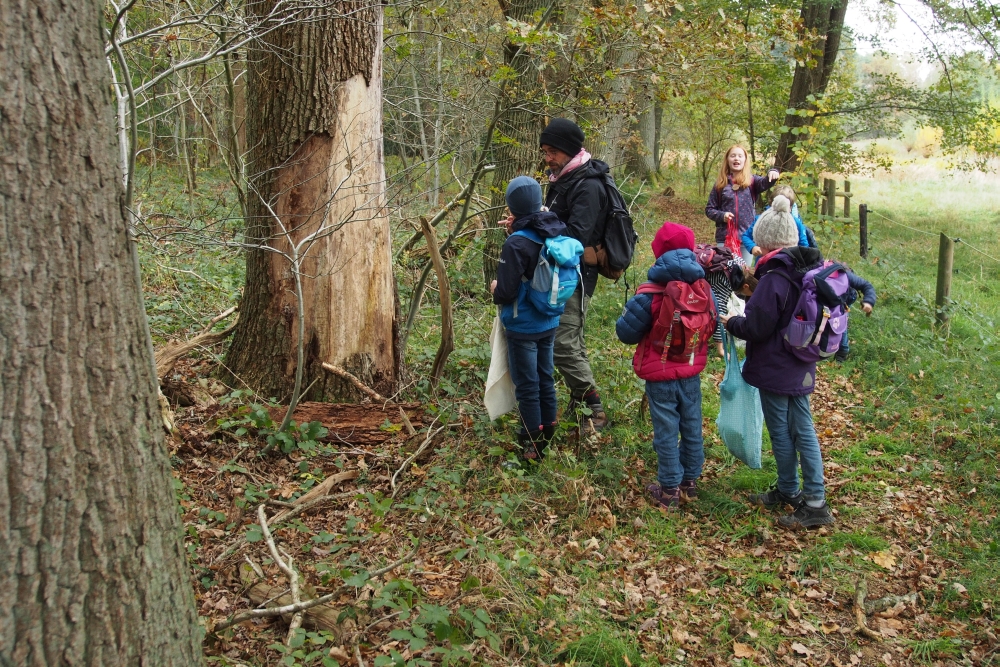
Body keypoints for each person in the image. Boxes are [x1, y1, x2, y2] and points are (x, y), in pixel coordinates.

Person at [721, 195, 835, 528]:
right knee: (802, 427)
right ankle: (803, 493)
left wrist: (733, 323)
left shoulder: (774, 277)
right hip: (800, 363)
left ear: (764, 241)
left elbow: (758, 326)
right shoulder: (807, 269)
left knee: (784, 432)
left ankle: (808, 500)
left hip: (775, 365)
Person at [615, 223, 717, 511]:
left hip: (660, 374)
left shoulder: (651, 293)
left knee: (666, 429)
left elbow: (625, 333)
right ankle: (691, 484)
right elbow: (712, 321)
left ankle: (669, 489)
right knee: (692, 424)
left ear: (659, 251)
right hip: (691, 370)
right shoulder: (703, 288)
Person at [538, 118, 612, 431]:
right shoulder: (563, 178)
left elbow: (577, 236)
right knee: (572, 342)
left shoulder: (589, 185)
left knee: (562, 344)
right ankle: (581, 405)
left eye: (553, 151)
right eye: (545, 151)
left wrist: (535, 221)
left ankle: (594, 411)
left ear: (569, 150)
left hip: (577, 276)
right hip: (559, 273)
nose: (548, 157)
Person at [490, 176, 566, 462]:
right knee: (545, 378)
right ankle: (549, 432)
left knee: (527, 384)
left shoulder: (516, 244)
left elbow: (506, 291)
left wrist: (496, 288)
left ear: (511, 206)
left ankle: (531, 447)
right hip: (549, 320)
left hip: (523, 325)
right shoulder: (553, 229)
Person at [705, 145, 780, 265]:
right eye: (733, 156)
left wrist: (773, 172)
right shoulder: (720, 184)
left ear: (745, 160)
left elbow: (766, 182)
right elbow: (709, 209)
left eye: (740, 156)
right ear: (727, 160)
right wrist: (722, 215)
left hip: (747, 239)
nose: (736, 159)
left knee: (743, 276)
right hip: (725, 238)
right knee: (725, 275)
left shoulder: (752, 181)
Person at [741, 185, 815, 260]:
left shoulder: (795, 222)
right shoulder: (761, 220)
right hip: (763, 263)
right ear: (772, 204)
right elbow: (746, 236)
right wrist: (753, 247)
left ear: (790, 207)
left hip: (787, 264)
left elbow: (804, 246)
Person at [836, 269, 876, 362]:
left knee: (840, 322)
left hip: (846, 298)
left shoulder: (844, 274)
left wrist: (868, 302)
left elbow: (866, 285)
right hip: (827, 298)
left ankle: (842, 352)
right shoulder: (812, 273)